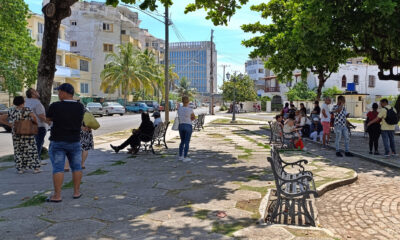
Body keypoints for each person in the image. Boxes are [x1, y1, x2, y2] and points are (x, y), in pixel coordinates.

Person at [46, 83, 85, 202]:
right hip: (74, 141)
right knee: (77, 167)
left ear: (63, 92)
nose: (58, 94)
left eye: (59, 92)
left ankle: (57, 195)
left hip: (58, 141)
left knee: (58, 168)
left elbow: (48, 120)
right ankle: (76, 192)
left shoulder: (55, 105)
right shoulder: (80, 106)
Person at [0, 96, 41, 174]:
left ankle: (20, 169)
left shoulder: (11, 111)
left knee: (18, 150)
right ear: (23, 102)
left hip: (16, 132)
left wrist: (10, 124)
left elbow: (1, 119)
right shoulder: (27, 110)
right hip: (27, 133)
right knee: (31, 149)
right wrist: (33, 123)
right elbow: (34, 118)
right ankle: (36, 168)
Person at [25, 88, 47, 162]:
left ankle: (29, 160)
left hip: (28, 126)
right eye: (35, 91)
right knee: (38, 144)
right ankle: (36, 162)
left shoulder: (25, 102)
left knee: (30, 144)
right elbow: (41, 116)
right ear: (32, 94)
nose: (37, 92)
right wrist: (50, 122)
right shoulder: (36, 103)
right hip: (39, 126)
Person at [177, 96, 196, 162]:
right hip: (188, 125)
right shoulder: (190, 109)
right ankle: (185, 156)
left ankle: (180, 156)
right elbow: (193, 117)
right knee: (187, 142)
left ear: (182, 101)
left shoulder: (179, 109)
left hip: (181, 125)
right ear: (188, 101)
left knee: (182, 141)